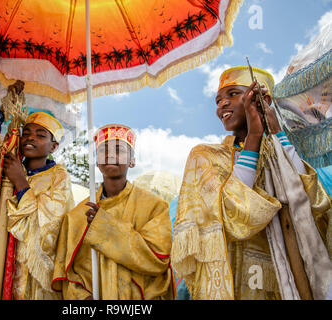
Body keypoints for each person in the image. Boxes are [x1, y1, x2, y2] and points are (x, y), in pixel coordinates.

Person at [171, 66, 331, 300]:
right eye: (218, 100)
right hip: (235, 283)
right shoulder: (205, 156)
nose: (221, 105)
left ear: (261, 99)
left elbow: (312, 204)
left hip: (287, 283)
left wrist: (277, 133)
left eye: (233, 94)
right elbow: (235, 217)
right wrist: (254, 137)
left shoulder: (280, 154)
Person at [0, 81, 74, 300]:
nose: (30, 137)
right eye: (27, 133)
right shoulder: (8, 164)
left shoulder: (58, 177)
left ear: (53, 146)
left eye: (41, 135)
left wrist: (21, 183)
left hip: (31, 277)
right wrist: (1, 112)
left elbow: (50, 228)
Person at [52, 124, 174, 300]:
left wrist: (105, 226)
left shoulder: (154, 207)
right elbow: (67, 274)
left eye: (119, 149)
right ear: (96, 160)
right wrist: (81, 298)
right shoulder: (76, 216)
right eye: (103, 150)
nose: (109, 154)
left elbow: (157, 260)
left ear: (132, 161)